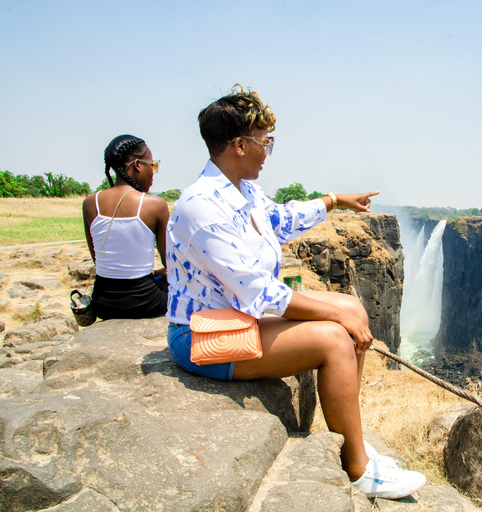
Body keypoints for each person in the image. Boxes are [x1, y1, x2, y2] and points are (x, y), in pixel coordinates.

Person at [165, 85, 426, 500]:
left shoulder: (241, 191)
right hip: (201, 334)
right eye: (264, 141)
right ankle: (357, 469)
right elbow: (257, 291)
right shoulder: (201, 207)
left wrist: (335, 200)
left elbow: (282, 219)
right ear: (238, 144)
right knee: (335, 339)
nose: (268, 151)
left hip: (235, 317)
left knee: (351, 305)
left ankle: (350, 437)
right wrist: (335, 318)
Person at [81, 135, 170, 320]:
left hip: (103, 304)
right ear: (137, 165)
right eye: (152, 165)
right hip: (148, 303)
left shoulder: (90, 203)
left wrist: (152, 273)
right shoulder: (155, 204)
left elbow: (102, 263)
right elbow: (171, 264)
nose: (154, 172)